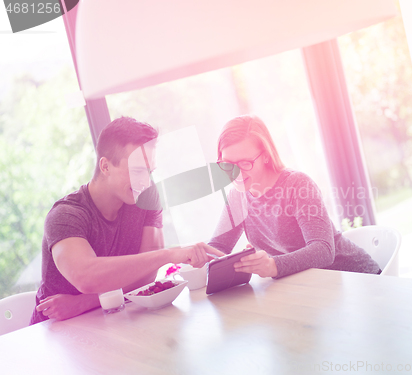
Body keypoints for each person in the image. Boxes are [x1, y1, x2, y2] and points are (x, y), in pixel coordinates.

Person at [31, 117, 222, 324]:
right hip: (54, 329)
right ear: (105, 166)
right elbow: (86, 277)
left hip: (114, 318)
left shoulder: (146, 195)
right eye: (138, 170)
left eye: (150, 172)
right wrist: (168, 254)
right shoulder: (66, 215)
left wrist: (82, 303)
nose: (146, 181)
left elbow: (146, 276)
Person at [208, 115, 381, 279]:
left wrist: (271, 265)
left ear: (266, 155)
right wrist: (200, 254)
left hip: (354, 277)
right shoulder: (237, 197)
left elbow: (323, 251)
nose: (236, 174)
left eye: (245, 163)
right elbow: (217, 249)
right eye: (227, 164)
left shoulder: (296, 185)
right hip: (310, 288)